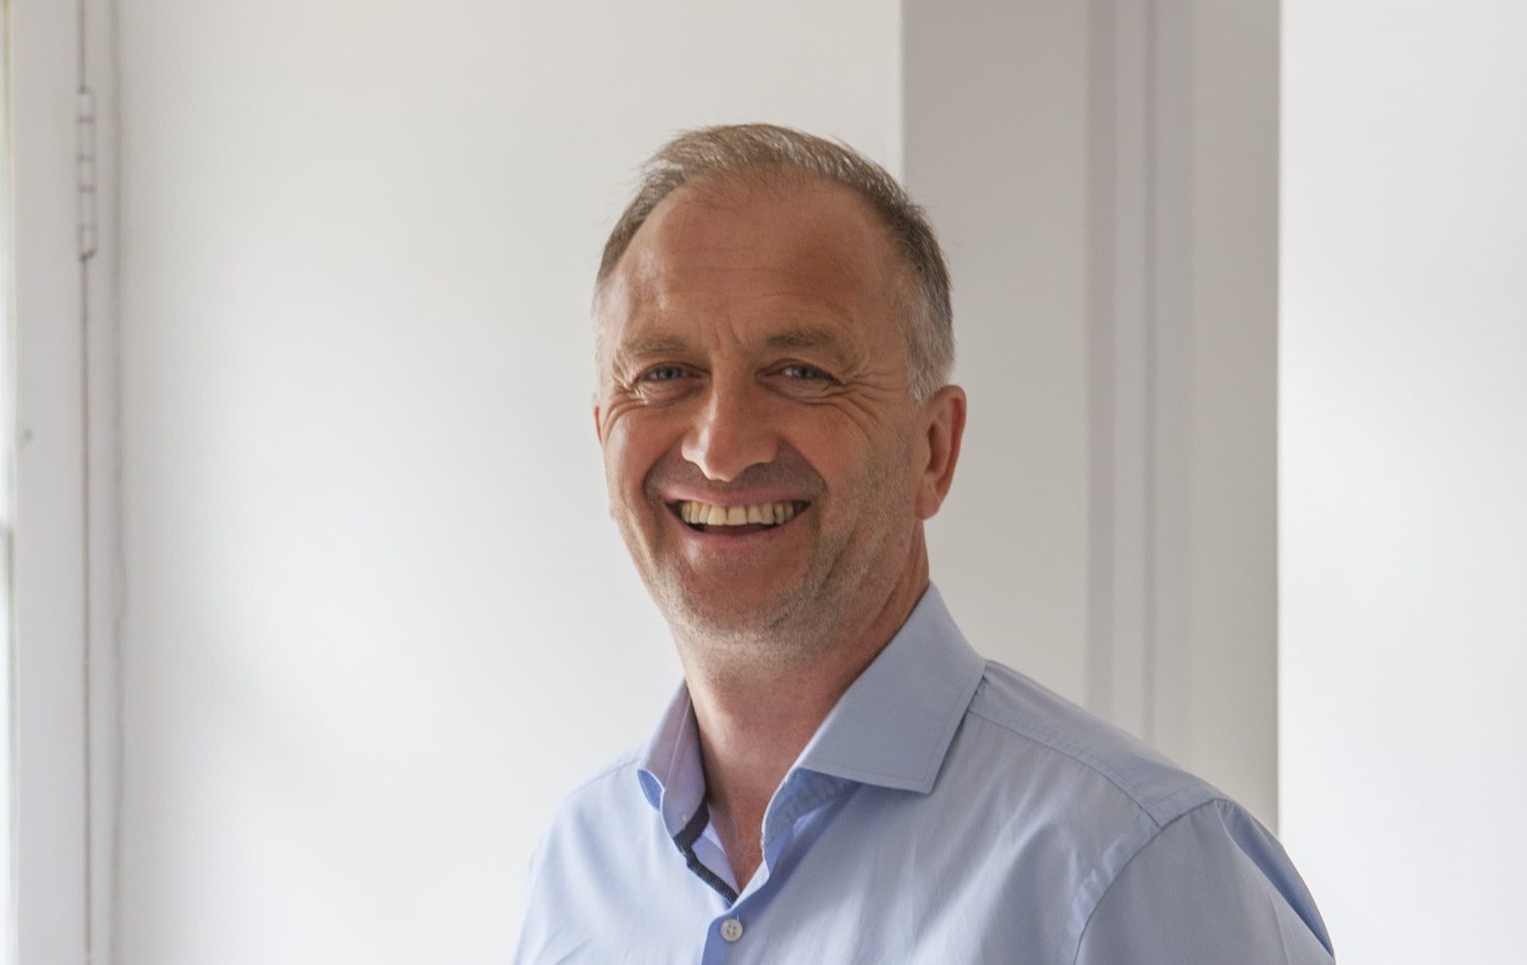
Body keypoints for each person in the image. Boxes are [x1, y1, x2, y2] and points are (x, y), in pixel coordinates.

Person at [515, 124, 1333, 964]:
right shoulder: (580, 866)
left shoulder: (1133, 865)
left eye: (800, 371)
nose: (720, 448)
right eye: (663, 375)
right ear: (603, 436)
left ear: (933, 449)